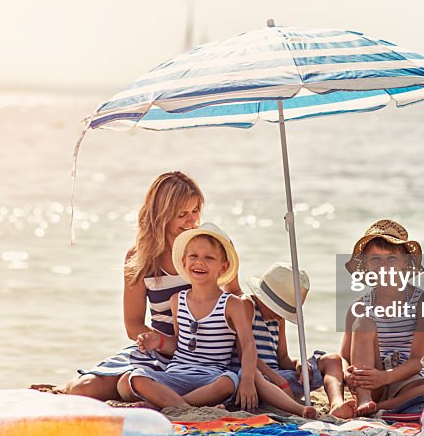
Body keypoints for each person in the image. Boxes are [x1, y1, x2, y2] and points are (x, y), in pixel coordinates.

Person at [67, 171, 238, 400]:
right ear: (162, 215)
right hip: (159, 348)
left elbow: (236, 298)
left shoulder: (211, 249)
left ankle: (164, 396)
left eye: (195, 211)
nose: (192, 221)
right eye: (182, 214)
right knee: (84, 388)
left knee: (129, 389)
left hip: (207, 355)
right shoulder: (140, 257)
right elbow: (133, 324)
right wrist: (163, 344)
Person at [120, 223, 258, 409]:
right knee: (136, 377)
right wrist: (157, 342)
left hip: (211, 377)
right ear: (184, 262)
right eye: (193, 256)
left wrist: (248, 380)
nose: (199, 262)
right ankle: (185, 406)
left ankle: (169, 405)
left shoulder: (232, 304)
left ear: (223, 267)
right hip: (176, 374)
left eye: (209, 258)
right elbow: (179, 343)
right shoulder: (177, 300)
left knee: (229, 381)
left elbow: (248, 345)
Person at [341, 219, 424, 416]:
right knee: (363, 322)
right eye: (375, 259)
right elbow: (344, 356)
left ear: (405, 262)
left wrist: (384, 377)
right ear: (366, 264)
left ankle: (384, 406)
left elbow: (419, 359)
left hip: (406, 379)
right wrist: (348, 373)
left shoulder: (423, 301)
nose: (384, 265)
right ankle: (366, 399)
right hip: (371, 383)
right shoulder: (358, 307)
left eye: (391, 258)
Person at [242, 263, 344, 418]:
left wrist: (299, 363)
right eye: (277, 310)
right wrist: (278, 380)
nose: (279, 315)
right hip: (255, 378)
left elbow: (282, 358)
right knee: (254, 375)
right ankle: (295, 407)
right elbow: (245, 352)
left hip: (279, 378)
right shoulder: (247, 306)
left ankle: (337, 404)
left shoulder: (278, 319)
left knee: (333, 359)